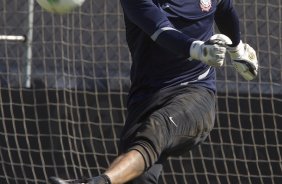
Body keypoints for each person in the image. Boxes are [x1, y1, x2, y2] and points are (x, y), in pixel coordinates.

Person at [49, 0, 258, 183]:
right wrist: (200, 50)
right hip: (146, 97)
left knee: (157, 128)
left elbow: (224, 8)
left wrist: (237, 49)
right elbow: (162, 31)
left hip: (196, 92)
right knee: (137, 175)